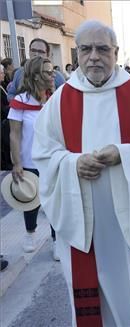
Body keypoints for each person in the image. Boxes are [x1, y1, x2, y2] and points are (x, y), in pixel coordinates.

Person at [31, 20, 130, 326]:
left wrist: (124, 155)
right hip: (84, 221)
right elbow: (44, 154)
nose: (94, 56)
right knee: (91, 297)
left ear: (116, 52)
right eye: (86, 49)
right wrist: (72, 163)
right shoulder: (60, 100)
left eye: (102, 49)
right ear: (77, 52)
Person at [8, 57, 59, 260]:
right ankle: (30, 234)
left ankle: (57, 241)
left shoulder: (55, 99)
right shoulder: (21, 101)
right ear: (36, 76)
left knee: (54, 202)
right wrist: (17, 162)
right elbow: (14, 134)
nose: (52, 74)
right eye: (48, 72)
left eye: (52, 71)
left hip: (52, 160)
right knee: (30, 200)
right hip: (29, 162)